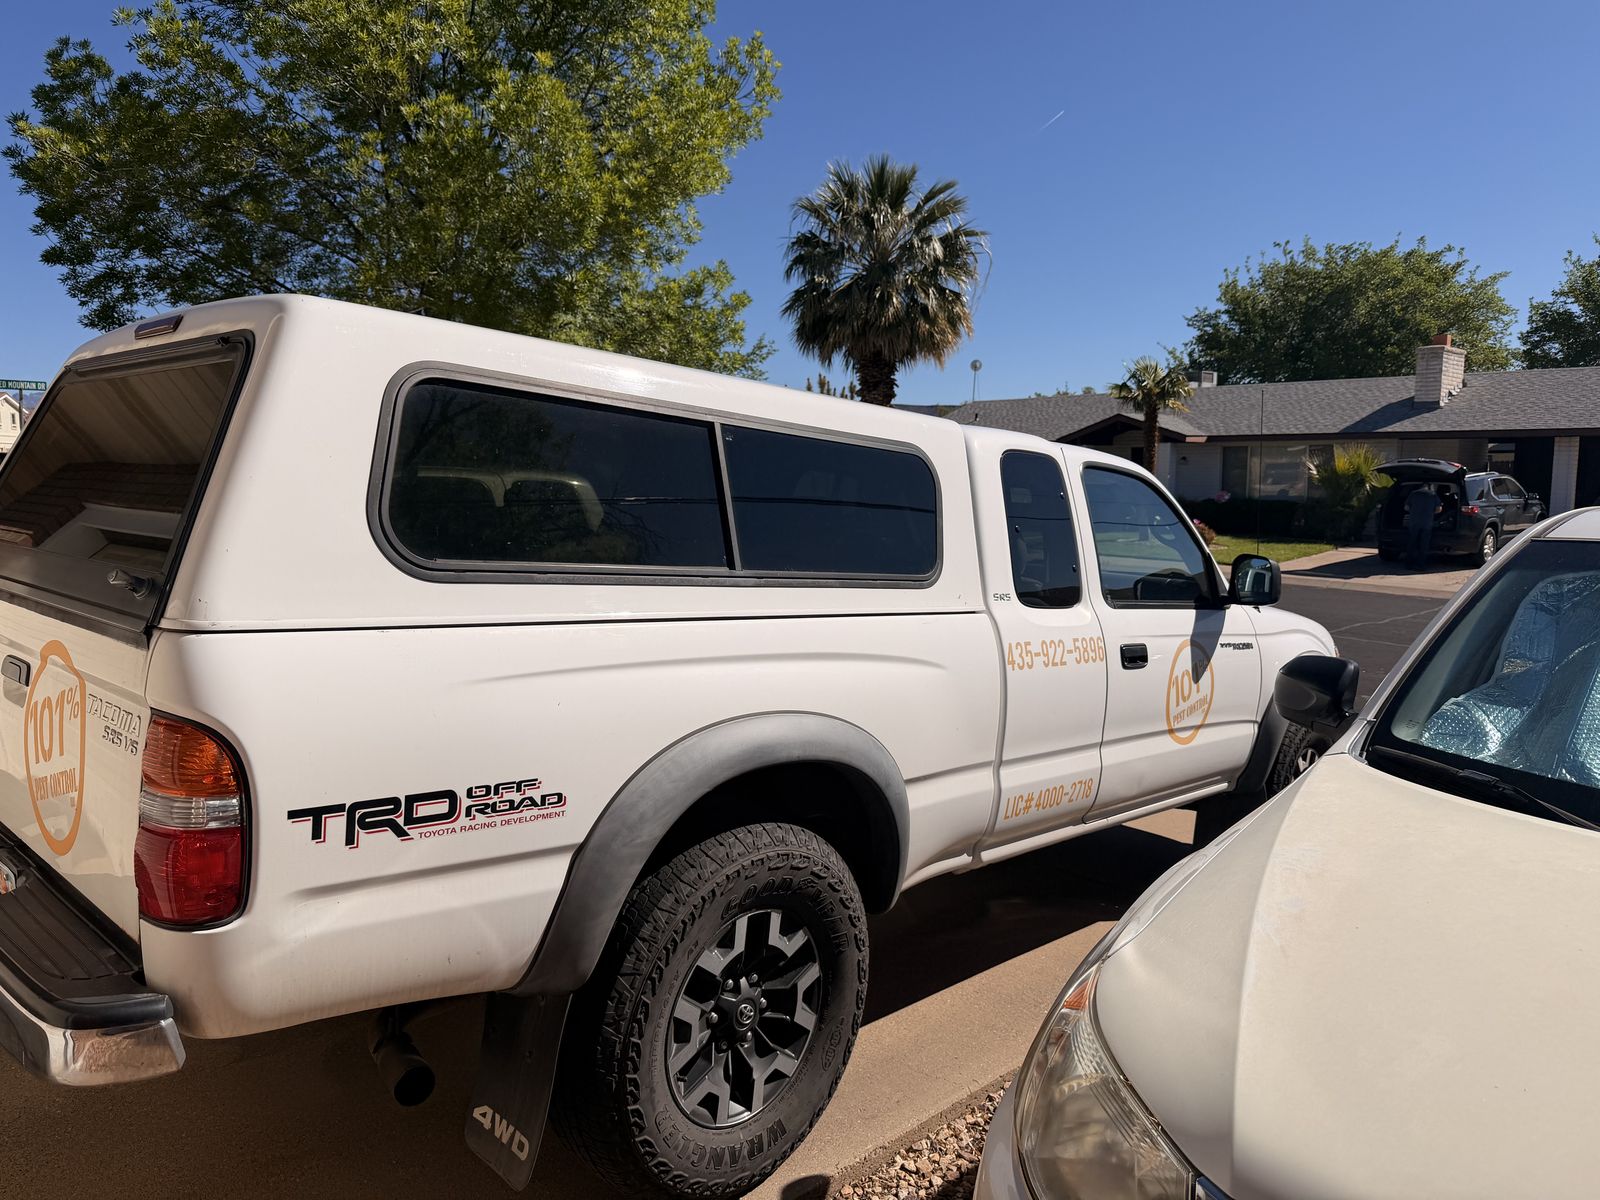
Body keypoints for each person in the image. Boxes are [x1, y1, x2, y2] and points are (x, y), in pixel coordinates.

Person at [1405, 484, 1442, 569]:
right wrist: (1431, 513)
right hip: (1427, 522)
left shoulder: (1413, 494)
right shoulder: (1433, 495)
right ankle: (1420, 565)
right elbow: (1439, 509)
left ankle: (1408, 564)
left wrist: (1414, 511)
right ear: (1428, 487)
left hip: (1414, 522)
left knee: (1412, 542)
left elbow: (1406, 507)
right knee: (1424, 544)